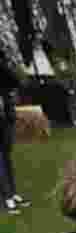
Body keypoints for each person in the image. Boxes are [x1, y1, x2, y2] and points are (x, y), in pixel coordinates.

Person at [0, 51, 25, 215]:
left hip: (4, 114)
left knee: (6, 154)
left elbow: (14, 80)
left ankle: (12, 193)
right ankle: (6, 196)